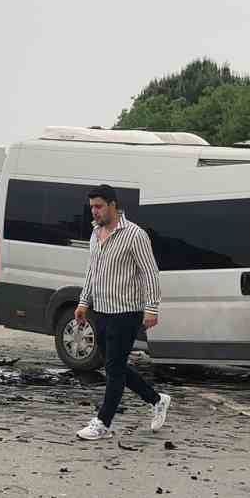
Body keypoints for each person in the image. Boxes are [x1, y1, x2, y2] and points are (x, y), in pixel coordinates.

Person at [73, 185, 171, 440]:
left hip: (126, 312)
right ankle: (156, 399)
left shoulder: (134, 235)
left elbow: (150, 272)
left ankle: (102, 422)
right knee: (113, 365)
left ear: (113, 205)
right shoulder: (96, 234)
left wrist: (152, 308)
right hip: (101, 310)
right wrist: (84, 301)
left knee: (114, 368)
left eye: (99, 206)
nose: (94, 212)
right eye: (92, 207)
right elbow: (91, 271)